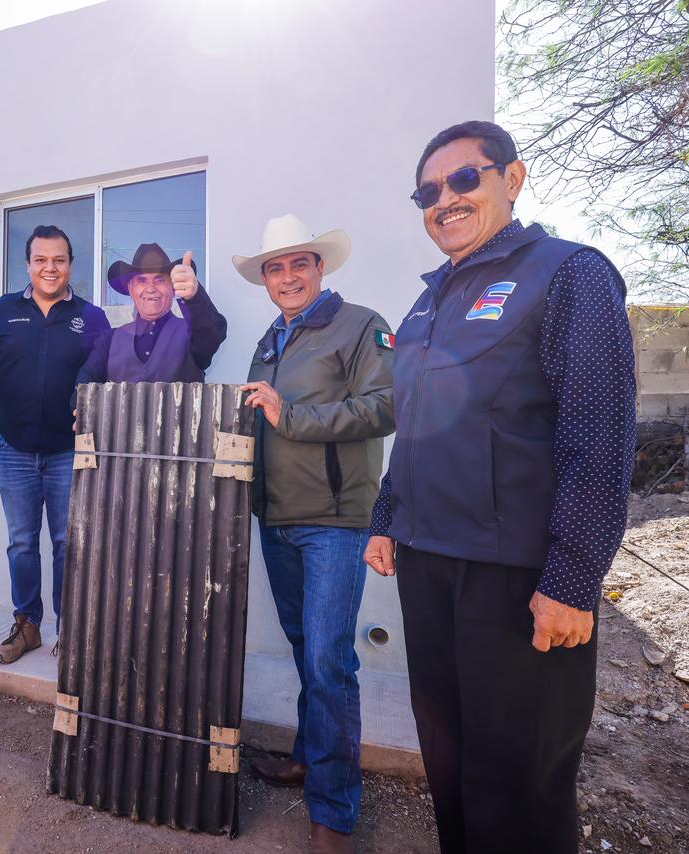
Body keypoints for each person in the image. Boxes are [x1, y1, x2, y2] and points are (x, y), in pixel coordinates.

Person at [363, 120, 636, 854]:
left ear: (512, 180)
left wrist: (574, 577)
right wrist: (387, 515)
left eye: (464, 179)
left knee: (516, 786)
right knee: (449, 765)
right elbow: (417, 426)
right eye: (427, 192)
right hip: (428, 565)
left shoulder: (568, 273)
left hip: (516, 578)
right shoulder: (427, 303)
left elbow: (600, 434)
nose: (444, 199)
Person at [236, 214, 396, 854]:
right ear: (266, 280)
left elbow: (386, 406)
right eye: (275, 268)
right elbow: (258, 421)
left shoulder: (360, 324)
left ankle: (333, 813)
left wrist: (292, 416)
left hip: (333, 522)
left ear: (319, 268)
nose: (287, 277)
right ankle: (309, 756)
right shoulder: (271, 339)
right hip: (276, 519)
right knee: (307, 649)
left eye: (298, 263)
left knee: (330, 661)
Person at [0, 225, 111, 663]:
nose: (49, 268)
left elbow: (104, 369)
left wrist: (87, 398)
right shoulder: (5, 309)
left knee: (68, 543)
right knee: (21, 542)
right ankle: (27, 625)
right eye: (40, 260)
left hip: (68, 452)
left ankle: (69, 630)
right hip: (14, 450)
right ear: (28, 264)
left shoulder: (91, 317)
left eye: (58, 260)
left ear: (70, 264)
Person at [82, 242, 226, 382]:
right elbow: (85, 384)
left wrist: (195, 296)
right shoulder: (108, 340)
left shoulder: (193, 333)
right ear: (131, 289)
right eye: (141, 281)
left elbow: (212, 334)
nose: (150, 289)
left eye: (159, 280)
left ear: (173, 288)